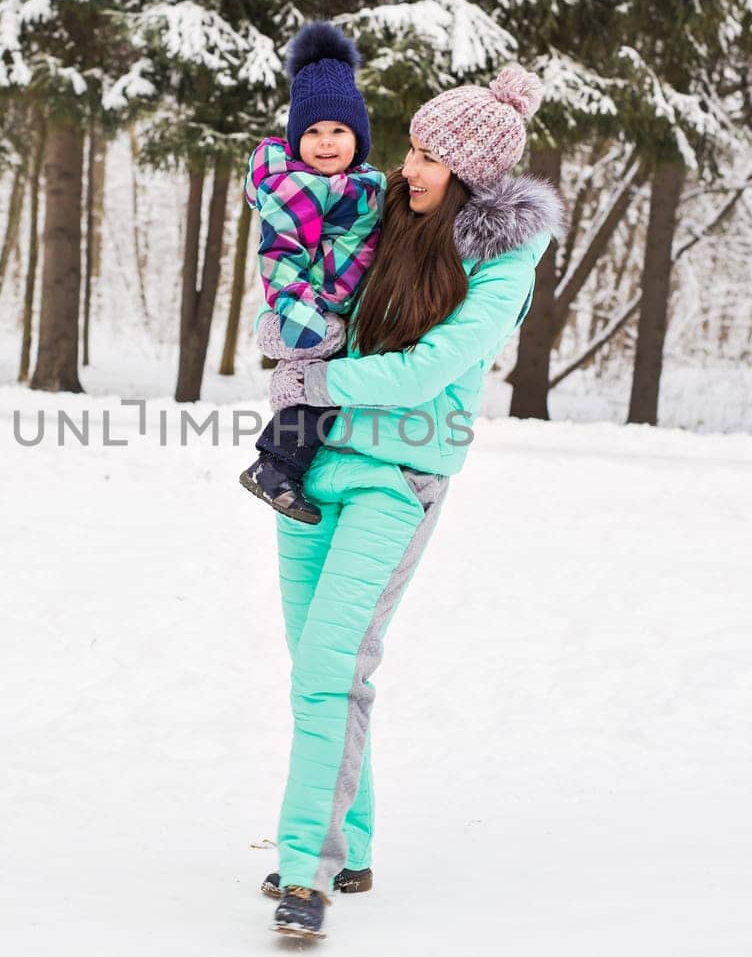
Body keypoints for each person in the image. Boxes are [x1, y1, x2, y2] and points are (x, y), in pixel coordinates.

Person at [255, 64, 566, 940]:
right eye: (415, 148)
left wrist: (314, 377)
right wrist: (286, 325)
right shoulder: (387, 215)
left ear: (475, 174)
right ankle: (349, 843)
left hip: (398, 478)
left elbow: (431, 368)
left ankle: (304, 870)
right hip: (316, 468)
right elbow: (302, 267)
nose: (413, 167)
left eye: (435, 157)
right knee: (320, 670)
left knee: (331, 667)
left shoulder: (503, 263)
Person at [239, 21, 386, 526]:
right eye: (313, 133)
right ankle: (275, 467)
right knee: (313, 387)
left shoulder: (363, 185)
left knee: (323, 389)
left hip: (340, 304)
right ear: (296, 139)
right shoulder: (296, 187)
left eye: (338, 132)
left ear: (358, 137)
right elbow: (280, 250)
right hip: (309, 307)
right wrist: (298, 307)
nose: (325, 143)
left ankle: (286, 467)